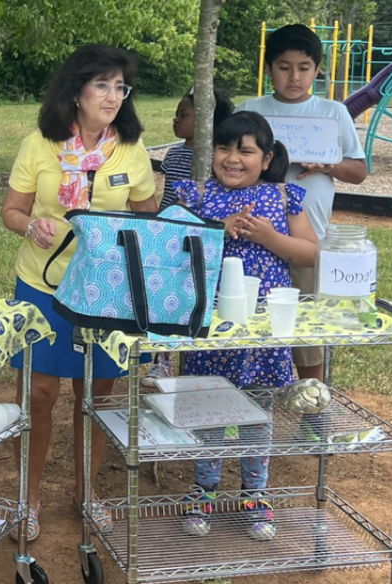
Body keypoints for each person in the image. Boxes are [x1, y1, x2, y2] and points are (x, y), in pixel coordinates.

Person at [0, 44, 158, 541]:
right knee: (41, 394)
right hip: (43, 283)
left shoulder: (130, 150)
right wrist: (30, 228)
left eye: (120, 87)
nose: (113, 96)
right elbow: (11, 211)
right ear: (76, 92)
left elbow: (148, 214)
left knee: (95, 395)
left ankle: (87, 493)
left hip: (105, 289)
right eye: (103, 85)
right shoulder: (39, 145)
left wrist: (130, 221)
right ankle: (29, 497)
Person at [167, 111, 318, 541]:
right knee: (209, 412)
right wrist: (218, 230)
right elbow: (173, 243)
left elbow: (310, 253)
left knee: (258, 413)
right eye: (223, 147)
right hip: (210, 329)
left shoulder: (283, 196)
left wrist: (269, 238)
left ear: (267, 157)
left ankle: (255, 493)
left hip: (263, 330)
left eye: (245, 151)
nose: (232, 158)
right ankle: (204, 489)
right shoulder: (194, 195)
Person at [236, 23, 367, 383]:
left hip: (309, 241)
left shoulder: (333, 113)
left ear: (317, 69)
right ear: (269, 68)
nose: (294, 77)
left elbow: (359, 171)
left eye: (304, 68)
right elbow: (230, 161)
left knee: (308, 335)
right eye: (284, 67)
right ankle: (249, 404)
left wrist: (328, 164)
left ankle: (312, 407)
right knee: (248, 328)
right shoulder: (250, 109)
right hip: (250, 240)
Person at [144, 87, 235, 386]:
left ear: (206, 120)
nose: (175, 120)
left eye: (183, 115)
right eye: (176, 114)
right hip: (169, 231)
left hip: (198, 236)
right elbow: (169, 196)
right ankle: (163, 360)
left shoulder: (214, 158)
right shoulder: (174, 153)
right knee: (164, 298)